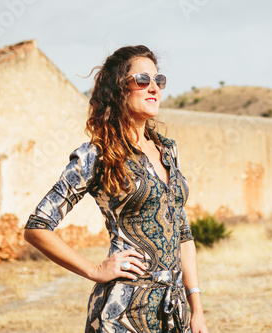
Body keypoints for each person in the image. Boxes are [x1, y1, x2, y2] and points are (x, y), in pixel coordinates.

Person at [24, 45, 209, 333]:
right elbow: (37, 226)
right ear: (119, 89)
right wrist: (95, 271)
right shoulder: (97, 155)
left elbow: (183, 232)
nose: (154, 89)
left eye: (158, 81)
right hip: (122, 313)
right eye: (143, 80)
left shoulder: (168, 151)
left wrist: (196, 307)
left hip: (174, 312)